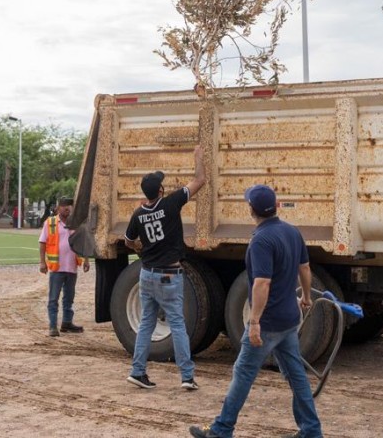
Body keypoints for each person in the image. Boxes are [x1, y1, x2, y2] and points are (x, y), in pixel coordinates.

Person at [190, 185, 322, 438]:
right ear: (278, 206)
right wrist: (305, 297)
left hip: (269, 323)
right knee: (296, 376)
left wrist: (254, 322)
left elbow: (262, 283)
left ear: (251, 209)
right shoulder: (293, 232)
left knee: (243, 374)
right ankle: (311, 431)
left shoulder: (261, 240)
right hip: (289, 321)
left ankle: (221, 429)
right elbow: (305, 269)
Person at [124, 145, 205, 391]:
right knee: (177, 323)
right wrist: (198, 158)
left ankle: (138, 371)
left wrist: (138, 246)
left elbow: (128, 240)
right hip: (170, 275)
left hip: (147, 274)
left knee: (147, 322)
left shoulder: (138, 214)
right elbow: (200, 181)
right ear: (160, 190)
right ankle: (187, 377)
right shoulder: (170, 204)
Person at [38, 197, 89, 336]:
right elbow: (42, 242)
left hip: (72, 267)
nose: (67, 208)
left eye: (69, 206)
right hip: (57, 268)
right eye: (64, 205)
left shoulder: (76, 224)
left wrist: (86, 260)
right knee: (53, 298)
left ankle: (67, 323)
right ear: (58, 208)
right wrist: (42, 262)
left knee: (69, 298)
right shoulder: (50, 223)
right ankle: (53, 326)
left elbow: (83, 243)